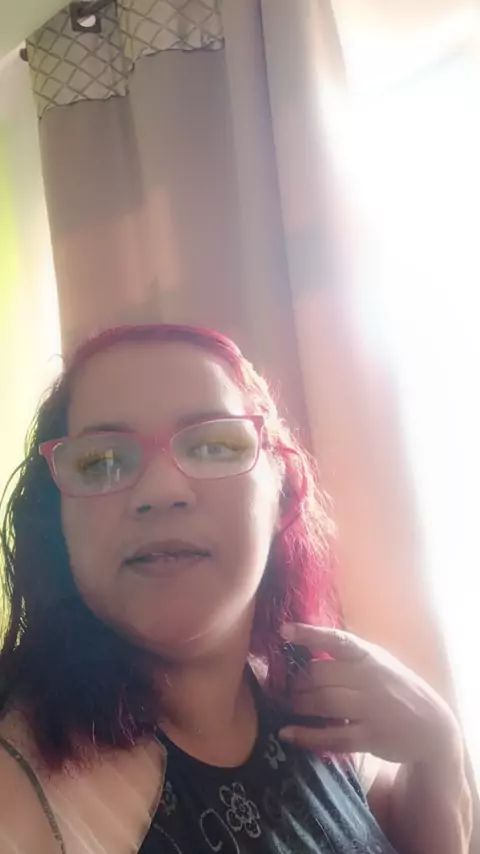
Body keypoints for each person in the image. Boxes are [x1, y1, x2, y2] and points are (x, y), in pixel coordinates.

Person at [0, 323, 471, 854]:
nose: (161, 490)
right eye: (101, 461)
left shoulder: (307, 700)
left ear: (281, 492)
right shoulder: (21, 786)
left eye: (213, 446)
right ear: (57, 521)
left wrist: (439, 751)